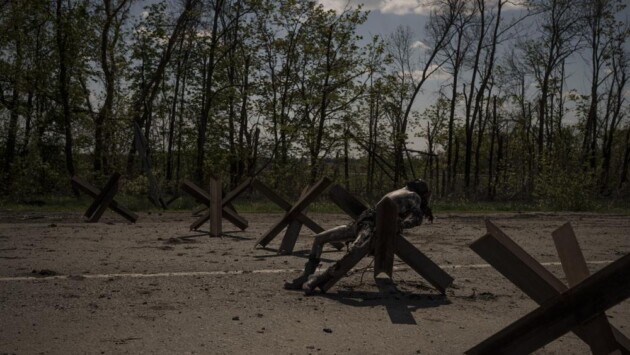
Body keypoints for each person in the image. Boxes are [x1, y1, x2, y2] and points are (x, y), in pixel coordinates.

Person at [284, 179, 434, 292]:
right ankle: (309, 276)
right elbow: (417, 219)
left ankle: (316, 278)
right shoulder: (414, 196)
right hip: (367, 223)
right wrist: (400, 225)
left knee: (336, 243)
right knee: (336, 243)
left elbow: (414, 219)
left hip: (366, 223)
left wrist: (396, 225)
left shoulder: (404, 193)